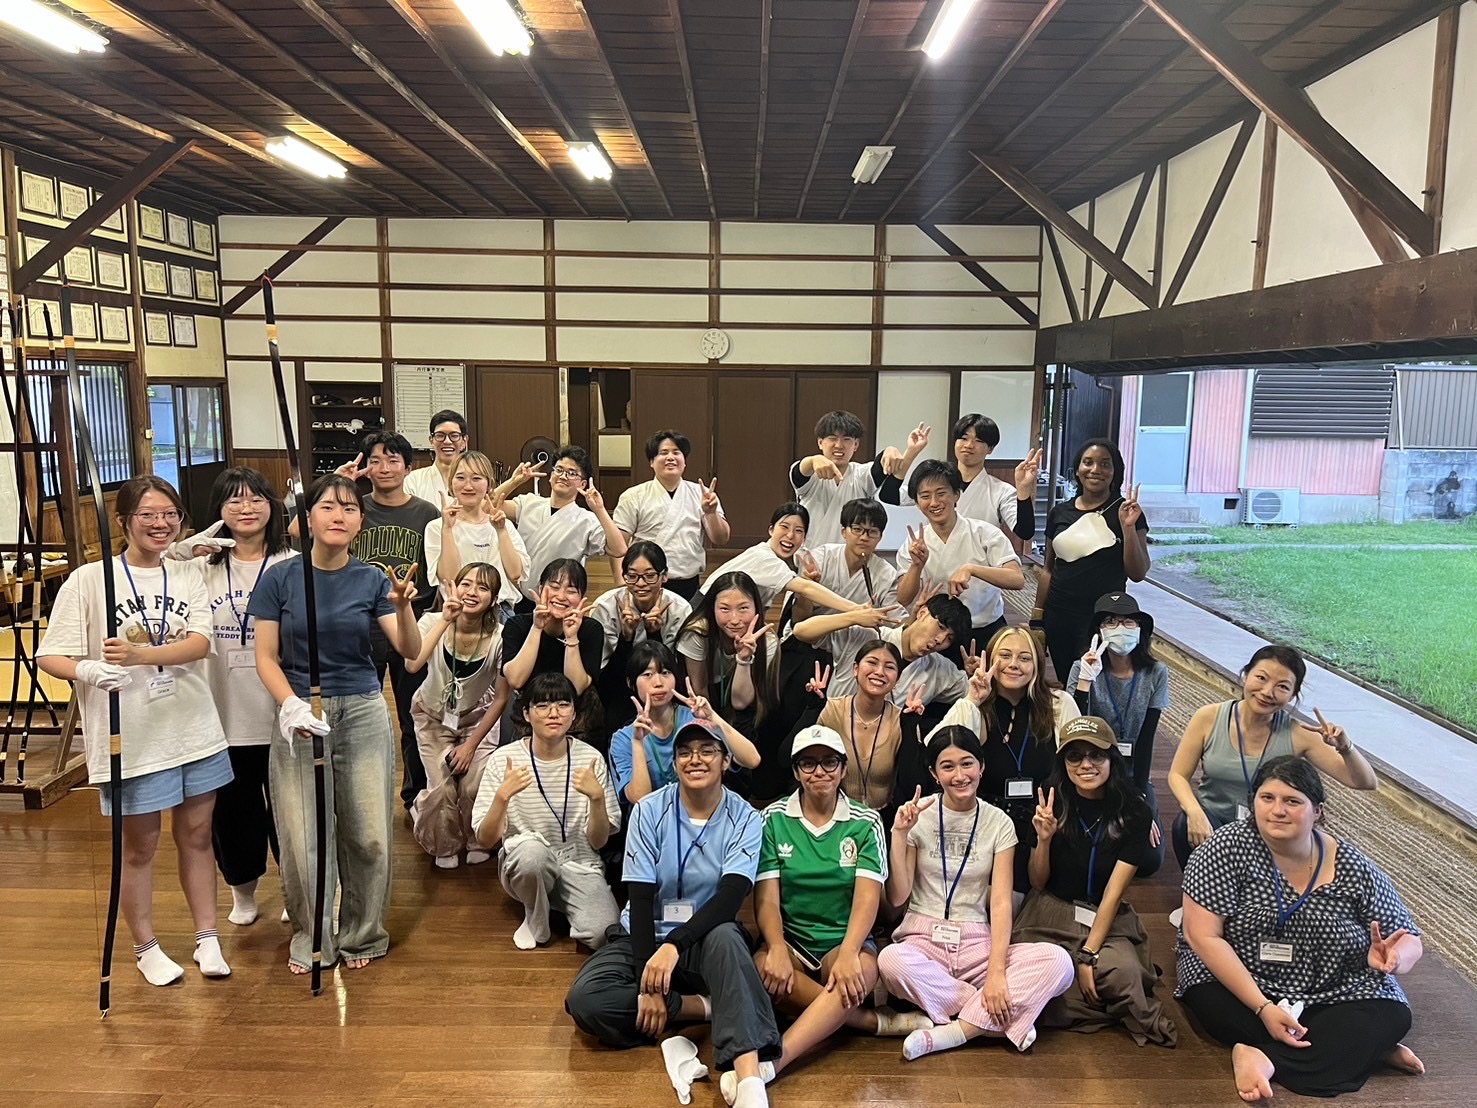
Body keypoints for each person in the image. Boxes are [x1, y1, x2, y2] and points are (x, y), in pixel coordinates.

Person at [38, 475, 233, 985]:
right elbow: (50, 655)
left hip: (193, 726)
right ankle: (145, 947)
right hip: (133, 736)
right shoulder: (89, 580)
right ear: (123, 520)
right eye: (147, 514)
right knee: (140, 846)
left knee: (198, 835)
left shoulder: (185, 573)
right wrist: (86, 670)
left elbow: (200, 643)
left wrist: (141, 655)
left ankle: (208, 937)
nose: (160, 524)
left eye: (170, 514)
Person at [249, 473, 422, 973]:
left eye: (349, 509)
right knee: (304, 837)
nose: (338, 516)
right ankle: (313, 936)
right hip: (301, 711)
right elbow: (265, 657)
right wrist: (290, 705)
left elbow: (410, 651)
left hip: (363, 709)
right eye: (327, 507)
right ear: (307, 519)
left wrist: (403, 608)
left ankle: (363, 934)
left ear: (360, 522)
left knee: (369, 834)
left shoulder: (372, 579)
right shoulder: (280, 578)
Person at [1177, 756, 1425, 1101]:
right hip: (1244, 979)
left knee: (1393, 1015)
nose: (1277, 810)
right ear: (1253, 802)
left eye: (1292, 801)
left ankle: (1262, 1057)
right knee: (1213, 1004)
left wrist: (1395, 959)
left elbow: (1408, 937)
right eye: (1267, 798)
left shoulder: (1350, 864)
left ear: (1317, 812)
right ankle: (1359, 1049)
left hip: (1332, 985)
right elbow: (1202, 935)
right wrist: (1263, 1007)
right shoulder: (1223, 849)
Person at [564, 722, 781, 1108]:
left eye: (707, 750)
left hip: (706, 936)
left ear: (726, 761)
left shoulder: (747, 817)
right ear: (675, 762)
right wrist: (647, 984)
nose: (695, 759)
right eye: (685, 752)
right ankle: (709, 1006)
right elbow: (640, 898)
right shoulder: (648, 810)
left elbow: (730, 898)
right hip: (643, 933)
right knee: (587, 1000)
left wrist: (675, 946)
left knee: (728, 938)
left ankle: (750, 1085)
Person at [741, 726, 931, 1101]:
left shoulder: (866, 821)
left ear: (843, 769)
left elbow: (867, 899)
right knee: (763, 971)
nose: (820, 772)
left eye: (829, 762)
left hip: (845, 940)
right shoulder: (772, 819)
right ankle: (868, 1022)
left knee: (858, 973)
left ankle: (775, 1061)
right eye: (808, 764)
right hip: (792, 940)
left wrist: (848, 951)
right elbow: (767, 899)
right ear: (796, 772)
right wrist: (775, 946)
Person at [877, 727, 1074, 1060]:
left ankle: (955, 1032)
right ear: (934, 773)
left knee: (1060, 963)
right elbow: (897, 897)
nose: (959, 776)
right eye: (948, 766)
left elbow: (1001, 902)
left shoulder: (999, 823)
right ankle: (999, 1016)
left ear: (981, 766)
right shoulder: (917, 815)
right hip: (922, 940)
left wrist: (996, 973)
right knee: (890, 962)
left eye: (967, 764)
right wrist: (899, 835)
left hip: (976, 943)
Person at [1014, 716, 1176, 1046]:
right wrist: (1043, 840)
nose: (1086, 765)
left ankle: (1057, 1001)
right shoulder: (1051, 800)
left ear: (1112, 759)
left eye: (1096, 755)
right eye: (1075, 756)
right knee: (1023, 972)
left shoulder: (1134, 811)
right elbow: (1038, 882)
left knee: (1123, 975)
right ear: (1063, 763)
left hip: (1105, 917)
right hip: (1049, 911)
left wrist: (1088, 955)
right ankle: (1087, 1004)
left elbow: (1114, 893)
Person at [187, 467, 297, 927]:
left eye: (256, 499)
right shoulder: (199, 566)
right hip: (223, 710)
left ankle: (297, 888)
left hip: (282, 709)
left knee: (292, 812)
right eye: (234, 500)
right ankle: (243, 890)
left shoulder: (293, 563)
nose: (246, 508)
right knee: (233, 813)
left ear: (272, 506)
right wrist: (180, 553)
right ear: (218, 510)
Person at [1166, 643, 1375, 869]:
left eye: (1282, 686)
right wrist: (1194, 811)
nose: (1267, 692)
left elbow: (1364, 782)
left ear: (1293, 695)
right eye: (1261, 678)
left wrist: (1346, 747)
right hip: (1214, 822)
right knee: (1184, 825)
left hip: (1271, 828)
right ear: (1245, 676)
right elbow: (1178, 775)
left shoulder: (1298, 733)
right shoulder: (1209, 717)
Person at [473, 673, 622, 950]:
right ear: (526, 714)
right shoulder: (504, 760)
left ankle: (553, 900)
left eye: (563, 705)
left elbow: (599, 842)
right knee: (534, 855)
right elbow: (485, 839)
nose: (554, 713)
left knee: (602, 933)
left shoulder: (591, 759)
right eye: (542, 706)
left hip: (579, 864)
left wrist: (597, 799)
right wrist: (502, 797)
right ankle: (536, 919)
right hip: (526, 863)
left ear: (574, 714)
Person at [930, 627, 1082, 891]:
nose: (1014, 664)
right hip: (987, 819)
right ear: (990, 660)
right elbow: (935, 747)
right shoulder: (977, 705)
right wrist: (971, 699)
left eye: (1024, 658)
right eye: (1005, 655)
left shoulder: (1058, 703)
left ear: (1037, 665)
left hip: (1043, 819)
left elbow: (1087, 761)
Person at [337, 430, 440, 811]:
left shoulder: (426, 513)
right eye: (375, 460)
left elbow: (439, 569)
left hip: (411, 620)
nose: (383, 468)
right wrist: (339, 484)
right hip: (357, 621)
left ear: (408, 468)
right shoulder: (351, 507)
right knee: (352, 713)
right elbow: (300, 530)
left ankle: (415, 797)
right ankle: (355, 798)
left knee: (414, 715)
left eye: (393, 460)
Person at [675, 571, 824, 801]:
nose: (734, 619)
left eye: (743, 608)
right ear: (712, 608)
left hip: (744, 706)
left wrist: (744, 659)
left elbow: (741, 702)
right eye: (724, 609)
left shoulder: (767, 641)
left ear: (757, 608)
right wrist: (713, 727)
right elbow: (699, 689)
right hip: (702, 703)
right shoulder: (698, 634)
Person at [406, 562, 509, 870]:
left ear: (493, 599)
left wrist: (470, 746)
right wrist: (445, 619)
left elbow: (501, 698)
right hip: (432, 716)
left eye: (483, 587)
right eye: (466, 584)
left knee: (473, 785)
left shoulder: (500, 637)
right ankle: (444, 841)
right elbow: (413, 665)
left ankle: (478, 839)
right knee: (442, 787)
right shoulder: (432, 621)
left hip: (478, 717)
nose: (472, 592)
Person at [1032, 438, 1150, 684]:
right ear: (1077, 469)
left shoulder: (1127, 512)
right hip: (1059, 614)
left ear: (1115, 472)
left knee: (1097, 683)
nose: (1095, 469)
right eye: (1088, 462)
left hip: (1104, 617)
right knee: (1068, 680)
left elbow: (1138, 573)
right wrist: (1037, 618)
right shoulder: (1060, 512)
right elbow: (1048, 569)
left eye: (1105, 464)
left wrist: (1128, 528)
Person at [1067, 591, 1168, 877]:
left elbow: (1147, 738)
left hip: (1133, 774)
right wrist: (1085, 683)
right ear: (1098, 631)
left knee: (1148, 861)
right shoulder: (1081, 668)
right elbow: (1074, 731)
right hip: (1092, 768)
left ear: (1140, 628)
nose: (1120, 628)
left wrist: (1139, 798)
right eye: (1110, 622)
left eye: (1128, 622)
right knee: (1083, 850)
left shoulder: (1156, 673)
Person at [896, 459, 1025, 654]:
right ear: (917, 502)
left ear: (956, 494)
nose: (934, 502)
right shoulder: (914, 543)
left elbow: (1017, 580)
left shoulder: (985, 533)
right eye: (925, 496)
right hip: (939, 634)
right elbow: (904, 598)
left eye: (941, 493)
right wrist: (916, 566)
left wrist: (971, 569)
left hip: (986, 629)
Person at [608, 641, 760, 806]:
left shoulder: (695, 718)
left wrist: (712, 717)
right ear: (630, 683)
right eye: (647, 674)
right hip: (654, 818)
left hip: (705, 810)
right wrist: (638, 743)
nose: (658, 682)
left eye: (665, 672)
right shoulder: (623, 738)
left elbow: (752, 759)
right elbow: (640, 799)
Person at [879, 414, 1041, 553]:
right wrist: (911, 451)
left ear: (990, 449)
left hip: (980, 569)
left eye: (978, 440)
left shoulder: (1000, 491)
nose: (969, 445)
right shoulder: (934, 484)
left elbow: (1025, 532)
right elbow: (888, 495)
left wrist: (1023, 489)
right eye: (963, 438)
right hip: (936, 562)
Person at [493, 444, 627, 604]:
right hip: (520, 597)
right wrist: (514, 482)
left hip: (560, 600)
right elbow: (488, 507)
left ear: (582, 484)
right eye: (559, 470)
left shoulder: (586, 520)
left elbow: (619, 549)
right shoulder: (528, 503)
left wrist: (600, 509)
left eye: (572, 473)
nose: (563, 476)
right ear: (551, 475)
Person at [791, 592, 972, 709]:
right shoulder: (868, 635)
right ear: (922, 613)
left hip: (885, 748)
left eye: (949, 638)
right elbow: (801, 631)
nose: (940, 640)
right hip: (835, 733)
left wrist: (975, 675)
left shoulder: (940, 668)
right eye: (940, 627)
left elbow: (974, 693)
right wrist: (853, 616)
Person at [697, 502, 861, 623]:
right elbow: (805, 588)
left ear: (804, 539)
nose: (790, 536)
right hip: (703, 613)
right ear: (771, 530)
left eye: (798, 531)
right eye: (784, 527)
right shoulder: (764, 557)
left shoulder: (775, 558)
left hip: (725, 614)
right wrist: (856, 609)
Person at [612, 429, 728, 600]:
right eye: (663, 453)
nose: (671, 457)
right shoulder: (633, 496)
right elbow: (618, 544)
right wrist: (620, 583)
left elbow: (721, 538)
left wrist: (711, 513)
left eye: (676, 452)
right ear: (651, 462)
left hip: (687, 580)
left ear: (684, 461)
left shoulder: (702, 494)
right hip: (645, 581)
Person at [789, 410, 929, 548]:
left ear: (856, 445)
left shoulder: (861, 475)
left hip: (852, 557)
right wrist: (813, 460)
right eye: (832, 438)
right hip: (810, 556)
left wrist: (893, 450)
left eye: (846, 439)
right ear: (820, 443)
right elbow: (800, 471)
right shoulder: (811, 476)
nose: (839, 445)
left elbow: (880, 466)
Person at [500, 558, 604, 744]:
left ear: (581, 597)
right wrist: (537, 628)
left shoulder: (591, 629)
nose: (561, 596)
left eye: (571, 590)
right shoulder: (517, 625)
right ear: (541, 589)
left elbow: (576, 687)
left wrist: (571, 637)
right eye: (554, 587)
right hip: (531, 714)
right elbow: (515, 680)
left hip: (579, 716)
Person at [423, 449, 527, 617]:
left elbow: (515, 574)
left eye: (476, 478)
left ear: (489, 484)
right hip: (458, 611)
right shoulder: (437, 527)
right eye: (460, 478)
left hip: (500, 611)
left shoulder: (503, 524)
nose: (468, 486)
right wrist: (447, 529)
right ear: (451, 483)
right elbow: (450, 578)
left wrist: (501, 531)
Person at [794, 497, 899, 614]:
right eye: (857, 529)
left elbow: (894, 619)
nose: (864, 537)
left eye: (873, 531)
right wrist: (808, 587)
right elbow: (799, 618)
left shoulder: (888, 575)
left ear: (880, 537)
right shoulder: (821, 559)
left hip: (862, 626)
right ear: (844, 532)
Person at [404, 408, 469, 505]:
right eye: (440, 435)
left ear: (464, 441)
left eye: (454, 435)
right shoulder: (413, 480)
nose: (447, 441)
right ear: (431, 440)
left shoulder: (474, 482)